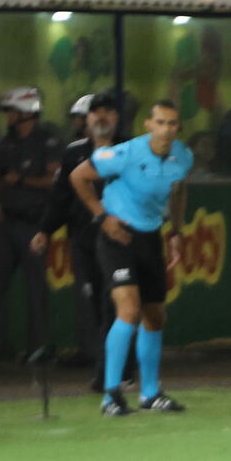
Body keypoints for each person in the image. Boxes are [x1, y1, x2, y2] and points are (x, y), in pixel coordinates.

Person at [69, 99, 193, 416]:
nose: (166, 130)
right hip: (118, 236)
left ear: (178, 128)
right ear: (148, 126)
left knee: (154, 316)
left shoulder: (183, 156)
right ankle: (111, 395)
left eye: (172, 124)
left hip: (150, 237)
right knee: (129, 310)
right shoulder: (125, 154)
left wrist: (176, 231)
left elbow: (179, 191)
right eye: (161, 123)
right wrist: (102, 217)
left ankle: (150, 393)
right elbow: (78, 177)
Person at [31, 93, 120, 390]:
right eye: (94, 114)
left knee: (116, 303)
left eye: (106, 113)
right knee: (94, 304)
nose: (99, 119)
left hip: (119, 240)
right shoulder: (73, 154)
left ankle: (108, 372)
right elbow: (60, 197)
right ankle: (111, 367)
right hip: (83, 240)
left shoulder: (128, 150)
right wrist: (45, 230)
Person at [0, 87, 61, 360]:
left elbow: (54, 180)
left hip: (33, 222)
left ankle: (38, 348)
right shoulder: (6, 142)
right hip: (6, 222)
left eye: (11, 111)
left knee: (35, 288)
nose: (8, 116)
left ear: (25, 113)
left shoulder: (47, 141)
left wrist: (21, 181)